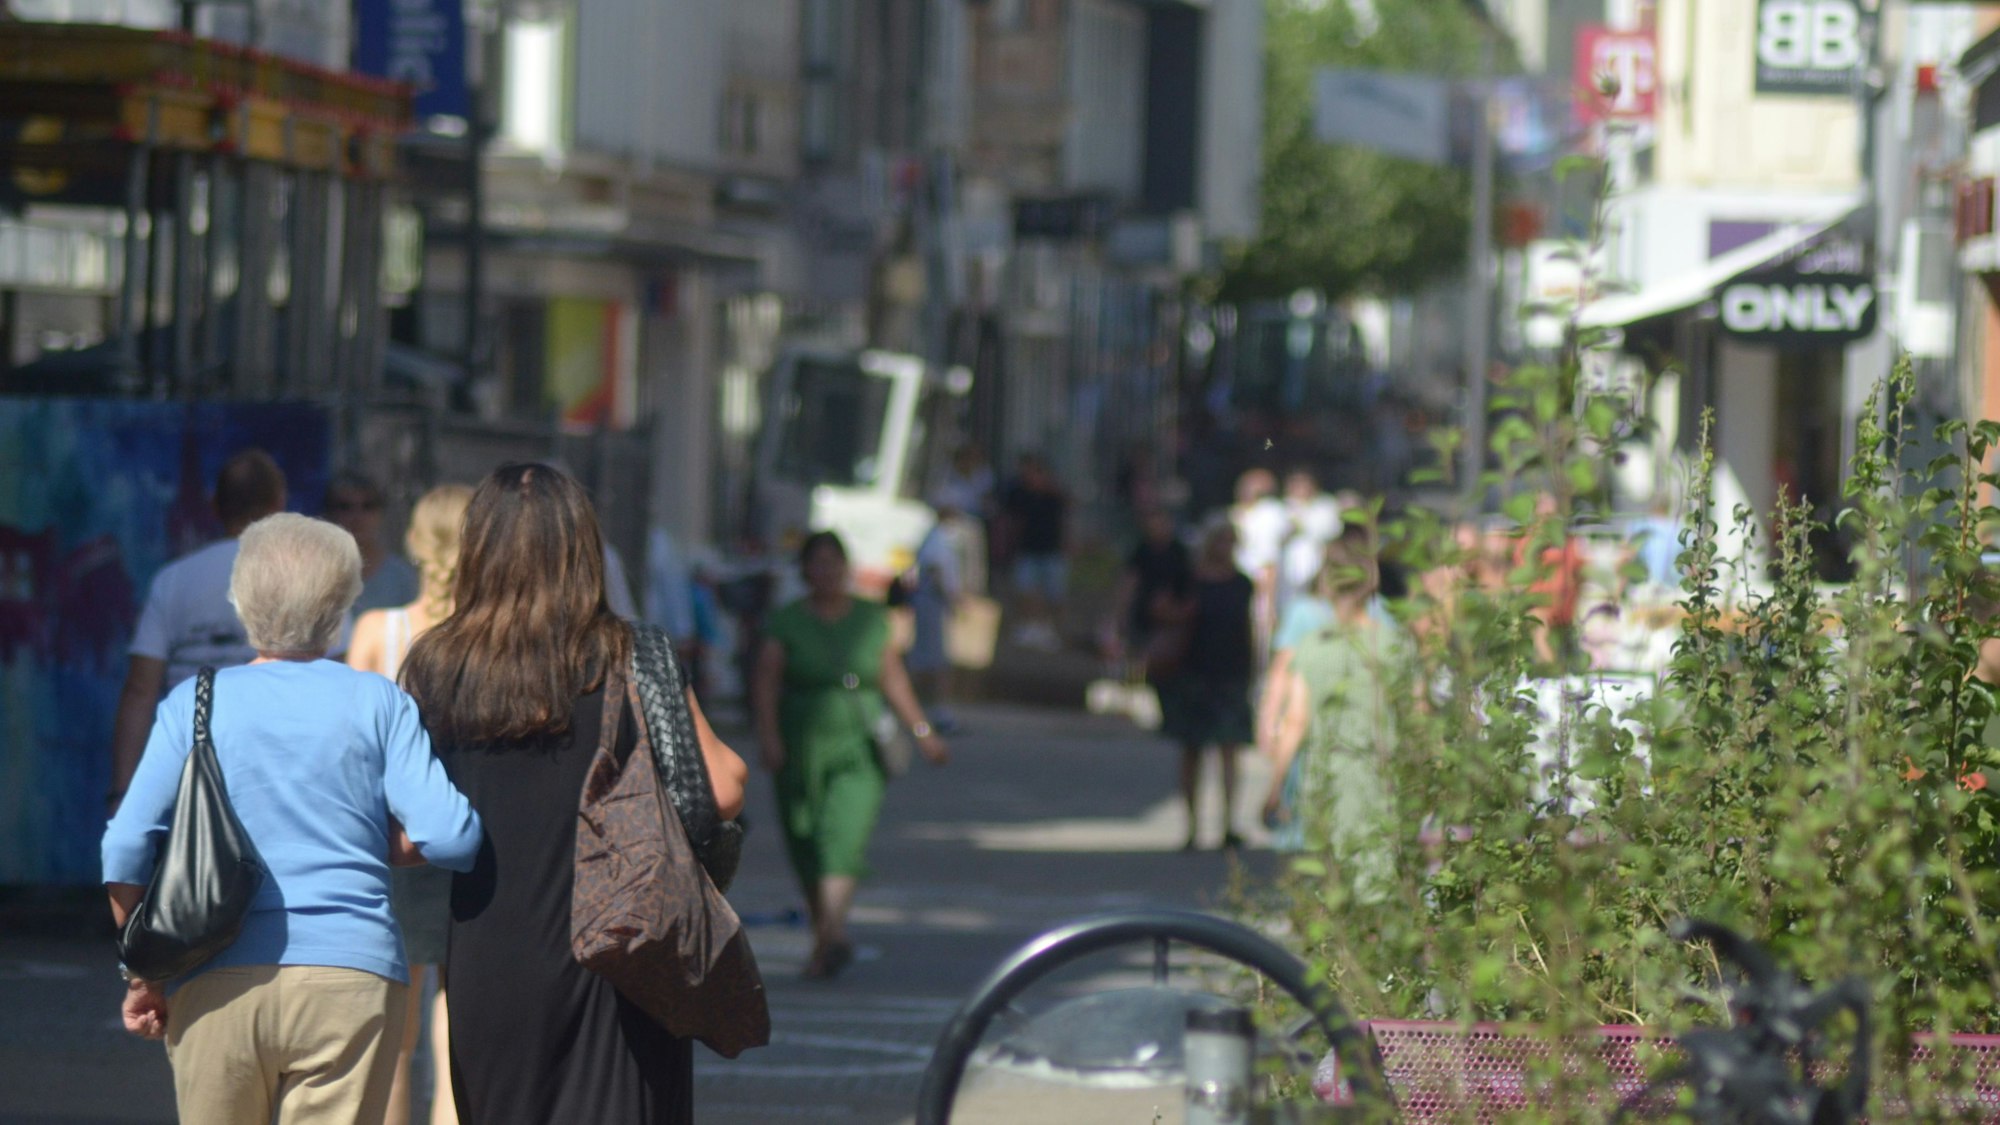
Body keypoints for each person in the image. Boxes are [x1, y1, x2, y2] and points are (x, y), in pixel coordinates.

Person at [101, 513, 482, 1122]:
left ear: (241, 602)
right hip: (353, 976)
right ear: (342, 608)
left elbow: (124, 847)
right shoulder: (379, 700)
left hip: (214, 974)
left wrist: (144, 973)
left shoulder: (193, 705)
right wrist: (366, 841)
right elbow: (452, 837)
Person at [398, 463, 747, 1124]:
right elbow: (724, 786)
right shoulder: (631, 654)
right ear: (585, 550)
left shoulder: (436, 664)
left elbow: (411, 826)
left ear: (478, 551)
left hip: (490, 955)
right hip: (622, 951)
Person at [754, 532, 949, 979]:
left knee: (842, 837)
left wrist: (924, 733)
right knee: (805, 839)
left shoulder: (872, 617)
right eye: (818, 563)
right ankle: (827, 937)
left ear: (847, 568)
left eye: (834, 562)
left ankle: (831, 934)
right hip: (801, 741)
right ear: (805, 571)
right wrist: (768, 737)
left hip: (859, 745)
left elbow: (893, 678)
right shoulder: (786, 621)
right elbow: (765, 683)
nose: (827, 571)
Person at [343, 483, 474, 1125]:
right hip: (470, 835)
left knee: (393, 1027)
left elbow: (348, 746)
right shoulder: (491, 641)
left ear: (416, 543)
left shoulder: (380, 630)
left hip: (392, 839)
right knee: (457, 1020)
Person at [108, 448, 287, 813]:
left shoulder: (173, 580)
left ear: (214, 506)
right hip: (278, 775)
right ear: (278, 506)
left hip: (191, 775)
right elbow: (337, 672)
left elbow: (141, 688)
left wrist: (121, 793)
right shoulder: (303, 577)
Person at [1261, 523, 1406, 889]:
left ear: (1328, 581)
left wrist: (1275, 783)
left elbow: (1296, 718)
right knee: (1377, 878)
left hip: (1325, 771)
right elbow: (1416, 712)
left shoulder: (1313, 643)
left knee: (1326, 877)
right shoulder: (1394, 637)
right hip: (1383, 769)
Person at [1156, 518, 1256, 851]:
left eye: (1231, 541)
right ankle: (1192, 826)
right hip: (1192, 671)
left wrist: (1253, 669)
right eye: (1221, 540)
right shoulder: (1189, 579)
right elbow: (1159, 609)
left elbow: (1247, 627)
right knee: (1192, 751)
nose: (1226, 547)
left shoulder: (1242, 583)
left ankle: (1229, 823)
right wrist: (1182, 613)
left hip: (1230, 672)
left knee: (1230, 749)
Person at [907, 502, 968, 734]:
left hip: (930, 603)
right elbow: (937, 571)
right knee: (937, 663)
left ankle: (920, 708)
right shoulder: (939, 540)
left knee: (925, 660)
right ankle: (940, 712)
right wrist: (952, 600)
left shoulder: (934, 538)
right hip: (933, 604)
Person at [1108, 507, 1192, 670]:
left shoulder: (1180, 551)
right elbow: (1129, 582)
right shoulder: (1141, 550)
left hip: (1173, 614)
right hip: (1144, 612)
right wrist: (1120, 613)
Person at [325, 470, 421, 614]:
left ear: (381, 513)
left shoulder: (402, 577)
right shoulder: (318, 575)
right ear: (329, 514)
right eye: (345, 507)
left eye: (368, 506)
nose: (357, 516)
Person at [1002, 453, 1069, 651]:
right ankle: (1029, 627)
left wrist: (1067, 544)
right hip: (1027, 550)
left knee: (1054, 594)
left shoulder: (1054, 495)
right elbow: (1012, 520)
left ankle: (1052, 630)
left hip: (1051, 551)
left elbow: (1065, 520)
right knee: (1026, 591)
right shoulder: (1019, 494)